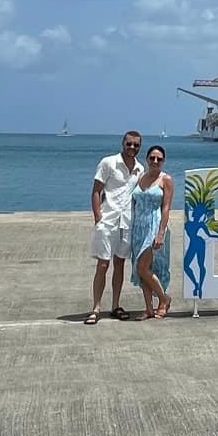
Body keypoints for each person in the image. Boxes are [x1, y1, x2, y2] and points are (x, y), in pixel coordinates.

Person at [87, 130, 143, 324]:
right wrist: (98, 218)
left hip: (127, 222)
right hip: (108, 220)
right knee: (103, 264)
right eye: (129, 144)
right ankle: (96, 308)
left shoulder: (139, 169)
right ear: (123, 143)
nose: (132, 148)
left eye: (136, 145)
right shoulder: (108, 163)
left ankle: (115, 305)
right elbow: (96, 191)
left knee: (120, 264)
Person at [131, 144, 174, 319]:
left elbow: (166, 208)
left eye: (159, 159)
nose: (155, 161)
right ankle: (149, 308)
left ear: (163, 161)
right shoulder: (140, 177)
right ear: (147, 159)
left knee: (142, 267)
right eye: (152, 158)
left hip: (155, 226)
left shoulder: (166, 180)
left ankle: (164, 299)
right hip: (138, 227)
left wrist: (161, 233)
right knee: (143, 269)